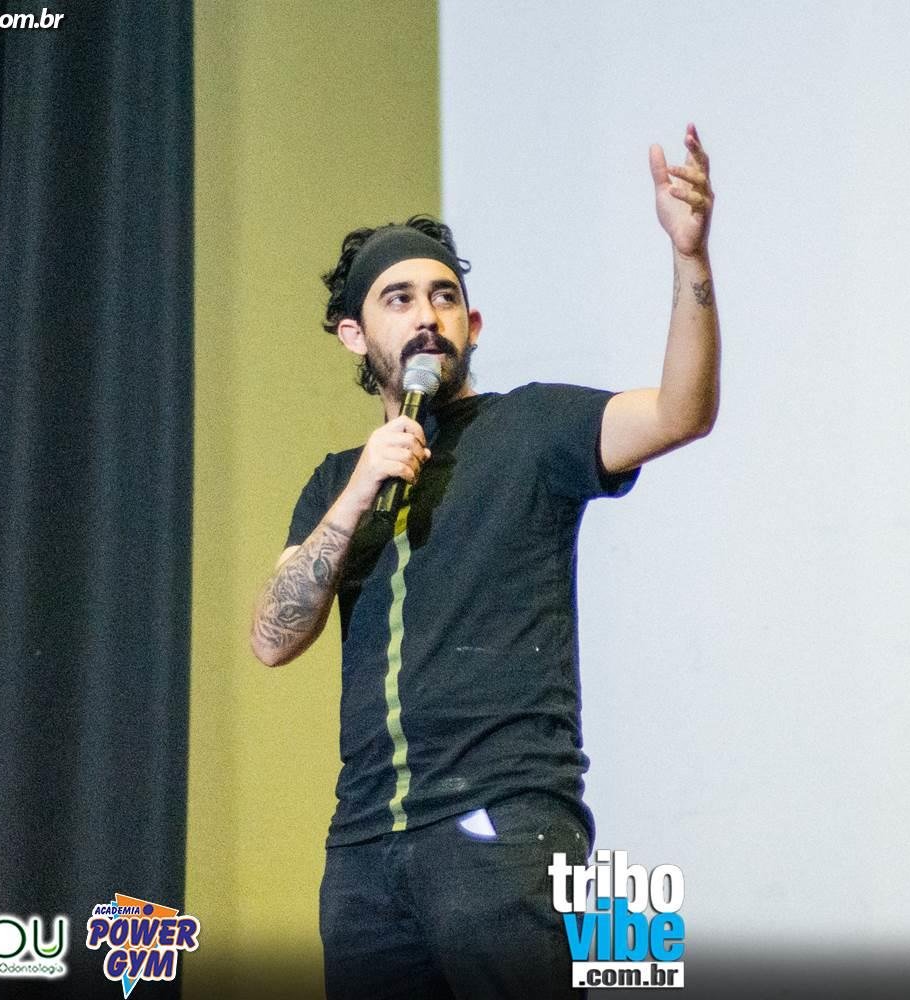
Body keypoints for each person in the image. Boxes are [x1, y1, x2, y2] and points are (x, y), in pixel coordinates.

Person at [249, 123, 719, 999]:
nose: (426, 315)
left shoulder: (529, 428)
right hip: (364, 852)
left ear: (472, 323)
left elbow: (680, 412)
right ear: (353, 334)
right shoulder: (336, 483)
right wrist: (358, 493)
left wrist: (688, 256)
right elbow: (272, 639)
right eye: (398, 299)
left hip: (502, 826)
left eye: (444, 297)